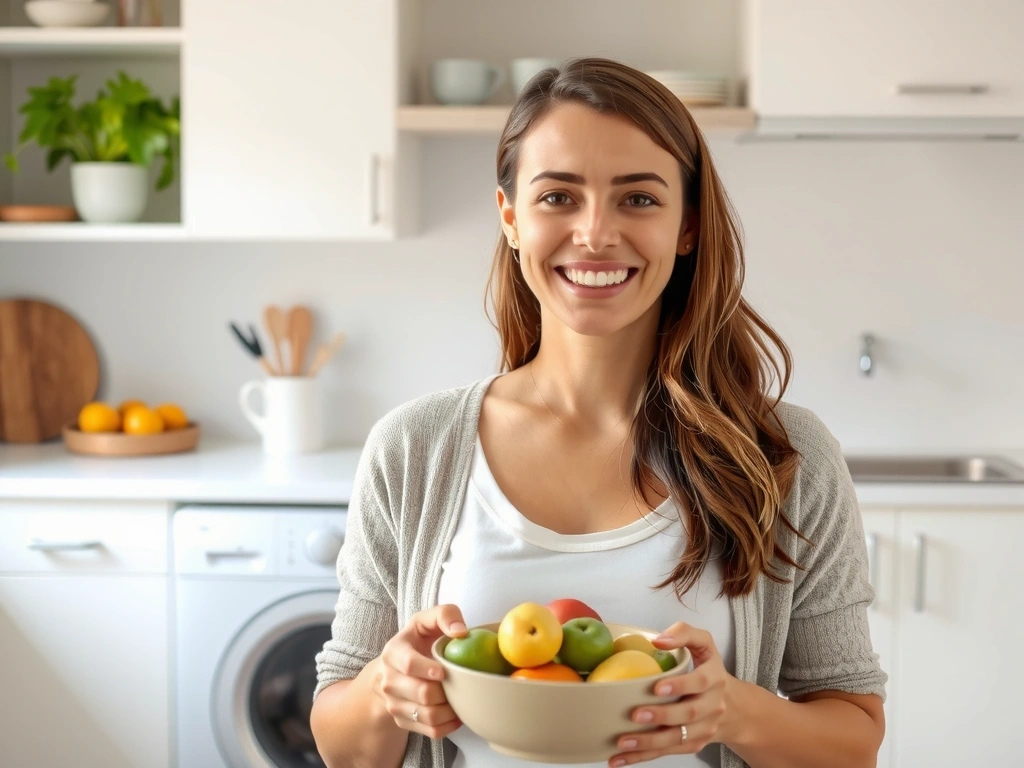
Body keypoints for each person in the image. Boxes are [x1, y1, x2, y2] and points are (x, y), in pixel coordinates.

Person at [310, 57, 887, 768]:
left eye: (638, 199)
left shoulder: (781, 453)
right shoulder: (413, 447)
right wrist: (384, 691)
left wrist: (729, 710)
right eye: (558, 197)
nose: (594, 234)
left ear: (687, 226)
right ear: (511, 218)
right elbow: (343, 746)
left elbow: (853, 740)